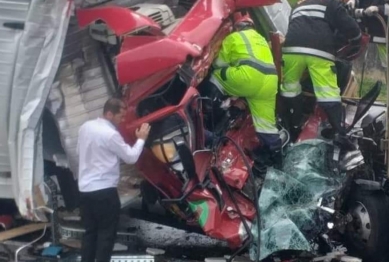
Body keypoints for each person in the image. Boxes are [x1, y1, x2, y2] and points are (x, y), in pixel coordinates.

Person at [77, 98, 150, 262]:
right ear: (109, 113)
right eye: (120, 117)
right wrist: (141, 139)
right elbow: (131, 157)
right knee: (106, 235)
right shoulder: (111, 134)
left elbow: (79, 151)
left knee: (90, 233)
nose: (122, 120)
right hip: (105, 191)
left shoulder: (85, 127)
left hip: (85, 190)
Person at [280, 0, 362, 140]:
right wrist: (357, 38)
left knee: (290, 88)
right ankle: (337, 131)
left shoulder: (298, 7)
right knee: (328, 93)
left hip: (291, 49)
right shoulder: (331, 3)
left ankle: (293, 125)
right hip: (319, 51)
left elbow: (294, 27)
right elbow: (346, 24)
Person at [209, 12, 281, 160]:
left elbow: (218, 64)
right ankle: (275, 154)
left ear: (236, 27)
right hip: (270, 80)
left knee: (216, 76)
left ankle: (211, 109)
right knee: (265, 123)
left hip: (248, 77)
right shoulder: (261, 39)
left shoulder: (233, 37)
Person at [346, 0, 388, 68]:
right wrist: (355, 2)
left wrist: (378, 9)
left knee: (386, 65)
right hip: (367, 34)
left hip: (383, 36)